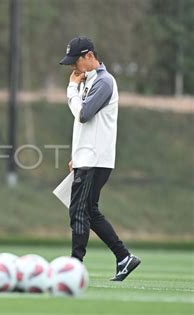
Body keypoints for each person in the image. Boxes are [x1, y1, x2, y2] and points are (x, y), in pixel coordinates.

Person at [59, 36, 141, 281]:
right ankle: (124, 257)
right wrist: (77, 155)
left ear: (90, 56)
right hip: (89, 158)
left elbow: (83, 115)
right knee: (89, 211)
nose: (73, 67)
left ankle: (75, 266)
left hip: (94, 159)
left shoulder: (104, 82)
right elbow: (85, 125)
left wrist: (71, 89)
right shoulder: (90, 80)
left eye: (76, 60)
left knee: (79, 211)